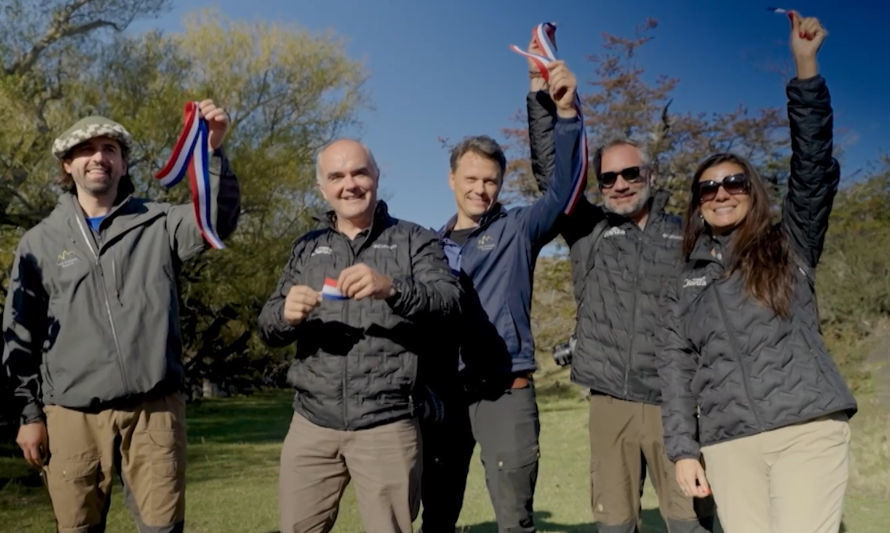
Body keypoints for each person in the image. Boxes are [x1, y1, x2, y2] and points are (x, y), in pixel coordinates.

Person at [658, 12, 857, 533]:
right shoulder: (686, 278)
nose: (721, 192)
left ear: (752, 191)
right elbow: (676, 369)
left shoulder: (791, 241)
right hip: (729, 444)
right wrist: (683, 450)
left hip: (807, 430)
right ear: (698, 205)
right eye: (708, 188)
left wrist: (805, 67)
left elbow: (812, 165)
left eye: (734, 182)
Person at [2, 100, 240, 533]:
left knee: (163, 528)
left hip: (154, 410)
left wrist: (213, 150)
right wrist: (29, 415)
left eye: (110, 148)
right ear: (68, 165)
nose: (99, 157)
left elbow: (216, 222)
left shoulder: (158, 221)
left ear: (123, 162)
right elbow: (20, 335)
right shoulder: (39, 242)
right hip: (72, 414)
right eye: (87, 149)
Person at [525, 40, 713, 533]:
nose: (621, 184)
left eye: (632, 173)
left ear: (650, 174)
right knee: (615, 525)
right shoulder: (587, 229)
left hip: (678, 403)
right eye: (608, 178)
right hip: (610, 400)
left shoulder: (689, 229)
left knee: (688, 522)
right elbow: (554, 175)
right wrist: (548, 102)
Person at [257, 138, 461, 533]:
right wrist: (285, 314)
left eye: (358, 172)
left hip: (386, 422)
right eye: (336, 176)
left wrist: (392, 288)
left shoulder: (414, 239)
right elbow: (267, 326)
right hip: (312, 424)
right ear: (322, 188)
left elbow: (450, 304)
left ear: (376, 177)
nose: (349, 184)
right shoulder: (306, 247)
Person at [420, 60, 586, 533]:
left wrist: (565, 114)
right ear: (451, 180)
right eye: (471, 179)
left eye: (490, 180)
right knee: (436, 517)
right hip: (443, 400)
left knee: (515, 521)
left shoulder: (518, 228)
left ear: (500, 184)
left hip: (504, 395)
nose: (480, 189)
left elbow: (562, 192)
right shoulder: (429, 246)